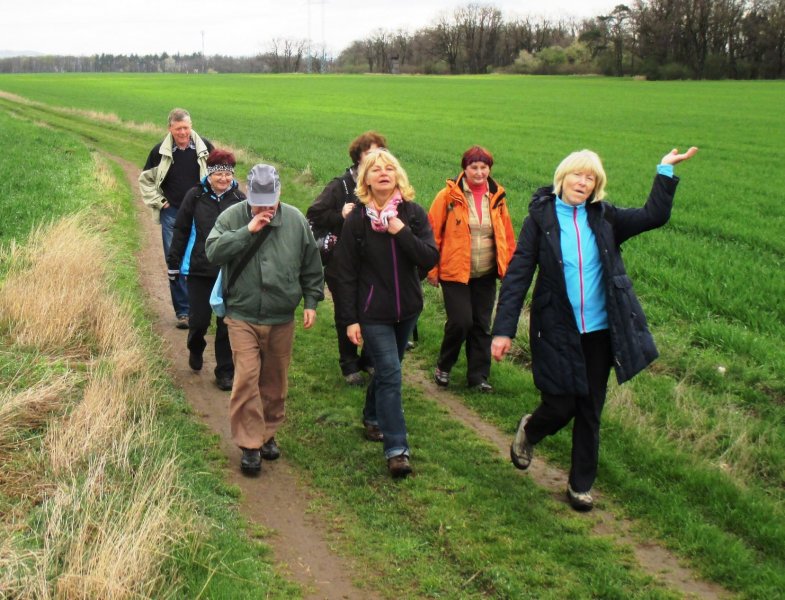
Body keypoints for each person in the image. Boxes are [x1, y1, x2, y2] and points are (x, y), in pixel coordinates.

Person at [491, 146, 698, 511]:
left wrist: (665, 171)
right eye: (578, 175)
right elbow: (519, 273)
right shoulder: (541, 219)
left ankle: (580, 485)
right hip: (556, 328)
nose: (583, 182)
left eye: (591, 178)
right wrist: (503, 329)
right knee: (560, 403)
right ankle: (532, 429)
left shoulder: (605, 218)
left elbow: (654, 215)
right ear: (562, 177)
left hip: (601, 331)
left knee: (590, 409)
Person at [205, 164, 324, 475]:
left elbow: (312, 265)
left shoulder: (296, 221)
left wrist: (311, 301)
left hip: (281, 316)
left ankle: (267, 434)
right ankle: (250, 445)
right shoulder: (231, 217)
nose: (265, 208)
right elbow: (213, 251)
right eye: (258, 202)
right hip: (241, 314)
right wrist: (247, 232)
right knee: (246, 378)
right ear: (249, 194)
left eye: (270, 202)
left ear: (279, 193)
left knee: (274, 382)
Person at [331, 149, 439, 477]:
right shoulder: (357, 222)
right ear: (366, 179)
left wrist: (401, 231)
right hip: (373, 313)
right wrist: (350, 319)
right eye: (376, 169)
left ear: (398, 176)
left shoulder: (414, 214)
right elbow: (344, 273)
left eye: (389, 168)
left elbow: (429, 258)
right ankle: (397, 449)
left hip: (407, 310)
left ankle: (372, 416)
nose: (383, 173)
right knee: (391, 373)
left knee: (386, 372)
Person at [427, 145, 516, 393]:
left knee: (481, 325)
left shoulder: (497, 198)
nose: (479, 172)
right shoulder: (447, 197)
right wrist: (432, 270)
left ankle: (478, 377)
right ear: (464, 169)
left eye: (484, 167)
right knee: (461, 322)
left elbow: (506, 236)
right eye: (474, 167)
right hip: (455, 272)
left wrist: (508, 270)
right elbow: (432, 234)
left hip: (485, 273)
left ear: (489, 169)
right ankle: (444, 364)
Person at [306, 131, 387, 386]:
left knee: (374, 312)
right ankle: (349, 364)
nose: (375, 158)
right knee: (346, 313)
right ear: (358, 157)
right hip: (341, 263)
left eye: (379, 153)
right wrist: (340, 214)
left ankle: (370, 360)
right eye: (369, 153)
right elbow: (315, 213)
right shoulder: (340, 186)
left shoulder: (386, 185)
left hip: (373, 264)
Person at [167, 149, 245, 391]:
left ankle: (224, 372)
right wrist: (174, 263)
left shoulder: (240, 200)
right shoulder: (195, 196)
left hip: (227, 271)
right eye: (218, 174)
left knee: (225, 324)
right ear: (209, 174)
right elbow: (180, 229)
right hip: (199, 268)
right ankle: (195, 346)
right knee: (199, 320)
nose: (223, 179)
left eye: (227, 174)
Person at [139, 108, 214, 329]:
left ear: (191, 126)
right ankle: (183, 312)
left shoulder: (206, 148)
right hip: (172, 213)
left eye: (186, 127)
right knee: (175, 260)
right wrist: (161, 203)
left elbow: (220, 175)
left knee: (199, 259)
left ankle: (200, 309)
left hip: (199, 212)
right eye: (179, 128)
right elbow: (145, 181)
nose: (183, 132)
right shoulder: (159, 152)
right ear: (170, 128)